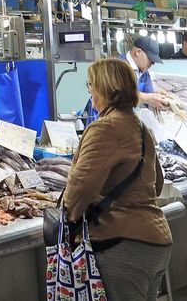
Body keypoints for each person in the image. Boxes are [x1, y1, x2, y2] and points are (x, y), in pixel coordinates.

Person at [64, 58, 173, 301]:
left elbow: (81, 187)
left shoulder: (104, 128)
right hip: (155, 240)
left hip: (122, 244)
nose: (90, 92)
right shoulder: (141, 127)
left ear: (104, 89)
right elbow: (156, 184)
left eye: (91, 85)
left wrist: (68, 220)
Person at [129, 36, 177, 111]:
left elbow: (149, 95)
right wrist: (147, 97)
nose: (152, 64)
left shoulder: (145, 74)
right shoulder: (117, 66)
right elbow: (119, 95)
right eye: (150, 60)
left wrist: (159, 99)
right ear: (138, 52)